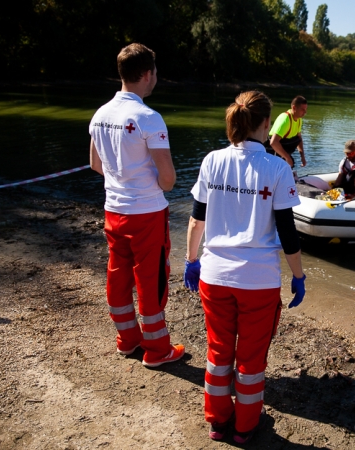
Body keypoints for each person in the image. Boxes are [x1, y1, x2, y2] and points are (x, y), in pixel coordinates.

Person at [183, 91, 306, 444]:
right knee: (251, 358)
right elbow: (287, 232)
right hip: (259, 281)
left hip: (215, 276)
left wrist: (192, 261)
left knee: (218, 351)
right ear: (266, 124)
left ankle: (218, 421)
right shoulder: (278, 168)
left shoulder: (212, 161)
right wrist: (298, 276)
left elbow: (196, 220)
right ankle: (246, 427)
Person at [88, 43, 185, 368]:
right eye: (155, 73)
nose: (156, 78)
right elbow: (169, 179)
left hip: (114, 210)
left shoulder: (101, 113)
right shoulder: (149, 118)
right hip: (146, 213)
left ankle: (127, 340)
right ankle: (157, 351)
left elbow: (95, 164)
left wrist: (123, 179)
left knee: (118, 274)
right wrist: (147, 185)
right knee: (151, 279)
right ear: (147, 74)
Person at [265, 95, 308, 168]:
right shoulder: (285, 119)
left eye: (306, 109)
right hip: (271, 154)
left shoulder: (299, 119)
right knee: (289, 162)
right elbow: (273, 142)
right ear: (294, 108)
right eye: (302, 109)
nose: (305, 112)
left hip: (283, 152)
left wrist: (302, 157)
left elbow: (299, 139)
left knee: (291, 163)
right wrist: (287, 158)